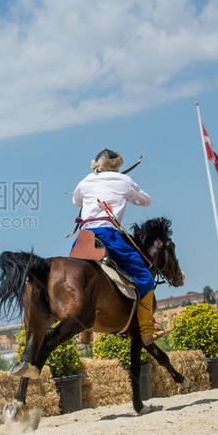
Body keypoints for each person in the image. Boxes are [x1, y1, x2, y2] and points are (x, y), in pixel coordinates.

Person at [72, 147, 164, 344]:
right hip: (108, 234)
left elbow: (75, 201)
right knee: (144, 276)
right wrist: (127, 195)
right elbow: (146, 201)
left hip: (84, 235)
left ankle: (84, 329)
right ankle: (148, 330)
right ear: (117, 167)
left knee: (74, 276)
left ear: (96, 167)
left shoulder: (86, 180)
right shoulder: (124, 181)